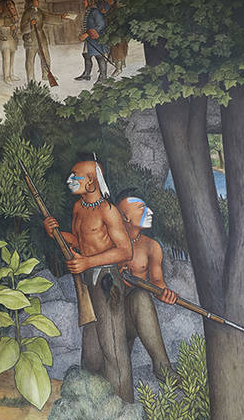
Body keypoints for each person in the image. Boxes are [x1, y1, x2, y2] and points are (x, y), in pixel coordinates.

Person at [43, 160, 134, 401]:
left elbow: (125, 252)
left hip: (107, 281)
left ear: (91, 181)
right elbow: (77, 240)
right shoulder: (79, 207)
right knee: (92, 353)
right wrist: (55, 232)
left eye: (76, 176)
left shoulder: (108, 210)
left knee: (113, 347)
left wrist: (87, 263)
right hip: (86, 281)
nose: (69, 180)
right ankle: (92, 405)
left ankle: (123, 407)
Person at [117, 193, 178, 380]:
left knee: (141, 296)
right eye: (142, 209)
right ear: (126, 216)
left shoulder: (152, 246)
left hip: (134, 316)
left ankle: (162, 368)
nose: (150, 212)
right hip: (111, 316)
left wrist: (164, 293)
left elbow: (157, 282)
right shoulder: (108, 242)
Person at [18, 0, 68, 85]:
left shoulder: (39, 11)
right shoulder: (27, 12)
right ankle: (31, 79)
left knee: (46, 57)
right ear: (32, 2)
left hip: (41, 38)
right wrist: (30, 24)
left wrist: (60, 17)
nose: (38, 1)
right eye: (36, 0)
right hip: (31, 39)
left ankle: (46, 75)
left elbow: (48, 17)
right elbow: (22, 28)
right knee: (30, 60)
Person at [75, 0, 107, 83]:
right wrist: (84, 34)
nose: (83, 3)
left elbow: (101, 25)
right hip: (89, 39)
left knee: (99, 56)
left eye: (84, 1)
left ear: (89, 1)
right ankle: (86, 74)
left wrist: (87, 34)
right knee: (86, 55)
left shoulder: (95, 11)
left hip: (96, 38)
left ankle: (103, 76)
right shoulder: (88, 11)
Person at [0, 3, 18, 84]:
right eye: (11, 8)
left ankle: (11, 74)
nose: (12, 10)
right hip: (4, 40)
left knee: (12, 58)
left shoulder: (10, 17)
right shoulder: (0, 16)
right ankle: (6, 77)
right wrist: (9, 28)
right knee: (6, 59)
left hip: (11, 40)